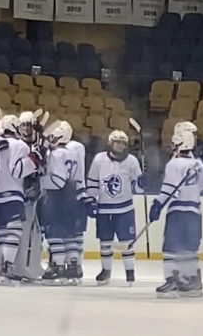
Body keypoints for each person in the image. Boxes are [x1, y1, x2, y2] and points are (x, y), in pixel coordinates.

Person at [0, 115, 43, 285]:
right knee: (13, 231)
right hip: (11, 194)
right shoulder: (19, 145)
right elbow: (18, 171)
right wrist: (34, 159)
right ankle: (7, 270)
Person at [149, 130, 203, 298]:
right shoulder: (198, 164)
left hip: (178, 211)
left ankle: (172, 280)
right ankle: (192, 282)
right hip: (194, 212)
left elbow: (170, 189)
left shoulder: (173, 164)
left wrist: (157, 204)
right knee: (189, 248)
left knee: (171, 246)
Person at [86, 130, 145, 287]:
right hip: (104, 209)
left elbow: (137, 189)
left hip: (124, 209)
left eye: (123, 143)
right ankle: (106, 271)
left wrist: (142, 183)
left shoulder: (132, 161)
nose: (120, 145)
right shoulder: (99, 160)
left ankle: (130, 273)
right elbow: (93, 182)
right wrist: (91, 200)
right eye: (117, 142)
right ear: (110, 143)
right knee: (105, 242)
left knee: (127, 242)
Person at [39, 124, 80, 285]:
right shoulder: (74, 153)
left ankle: (57, 267)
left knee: (54, 233)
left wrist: (40, 181)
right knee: (69, 234)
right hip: (72, 195)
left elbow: (58, 181)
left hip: (57, 197)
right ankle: (73, 267)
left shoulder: (56, 155)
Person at [14, 111, 44, 281]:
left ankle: (29, 266)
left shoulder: (39, 144)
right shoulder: (17, 145)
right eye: (23, 125)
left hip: (35, 193)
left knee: (33, 234)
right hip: (18, 193)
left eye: (29, 125)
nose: (26, 129)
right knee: (15, 233)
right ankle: (13, 267)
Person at [60, 121, 87, 282]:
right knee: (76, 234)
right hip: (80, 192)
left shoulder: (59, 150)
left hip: (63, 193)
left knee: (62, 234)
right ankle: (76, 267)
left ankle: (63, 266)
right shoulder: (79, 147)